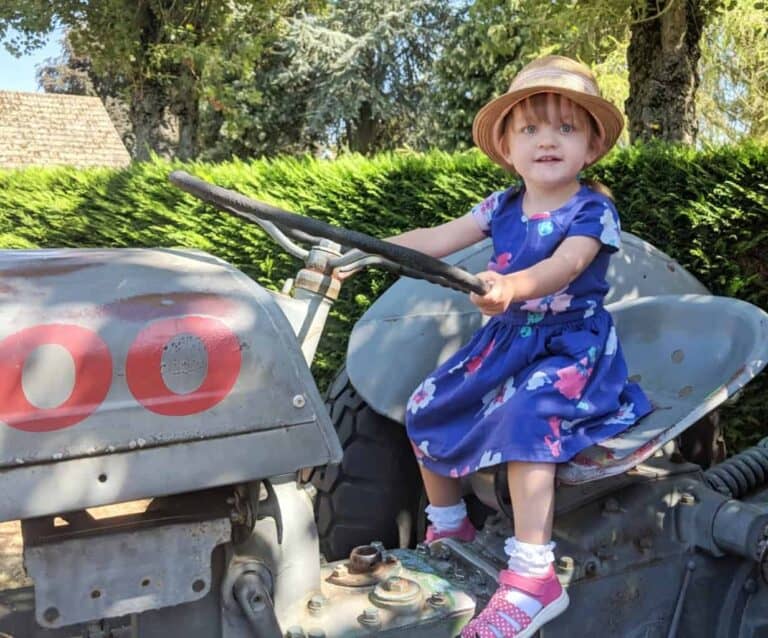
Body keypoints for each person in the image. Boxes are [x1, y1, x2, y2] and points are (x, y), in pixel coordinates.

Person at [387, 55, 653, 638]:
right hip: (506, 341)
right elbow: (434, 240)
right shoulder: (500, 206)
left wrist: (513, 286)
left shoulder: (593, 210)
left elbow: (565, 265)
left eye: (565, 127)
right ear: (508, 148)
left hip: (570, 349)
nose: (547, 140)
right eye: (530, 129)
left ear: (591, 147)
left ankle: (534, 577)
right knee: (427, 402)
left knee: (528, 414)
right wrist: (364, 251)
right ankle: (449, 526)